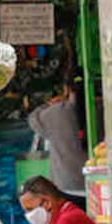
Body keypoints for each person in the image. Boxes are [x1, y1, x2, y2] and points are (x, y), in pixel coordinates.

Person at [27, 72, 87, 208]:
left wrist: (49, 104)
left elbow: (33, 120)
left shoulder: (55, 112)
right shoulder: (102, 106)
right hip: (100, 181)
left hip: (68, 187)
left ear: (66, 89)